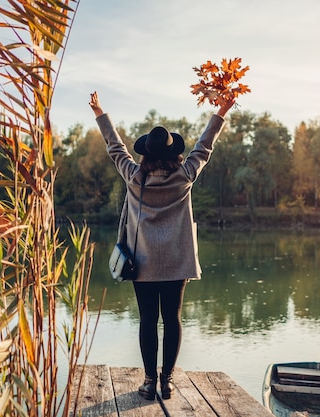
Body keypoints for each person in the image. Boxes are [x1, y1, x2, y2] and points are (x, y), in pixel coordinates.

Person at [89, 91, 234, 400]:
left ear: (146, 154)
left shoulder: (134, 176)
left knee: (147, 321)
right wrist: (221, 110)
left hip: (142, 263)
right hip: (177, 263)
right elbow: (204, 146)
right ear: (173, 154)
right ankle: (167, 381)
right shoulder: (184, 176)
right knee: (172, 319)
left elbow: (115, 148)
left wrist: (100, 112)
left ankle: (148, 381)